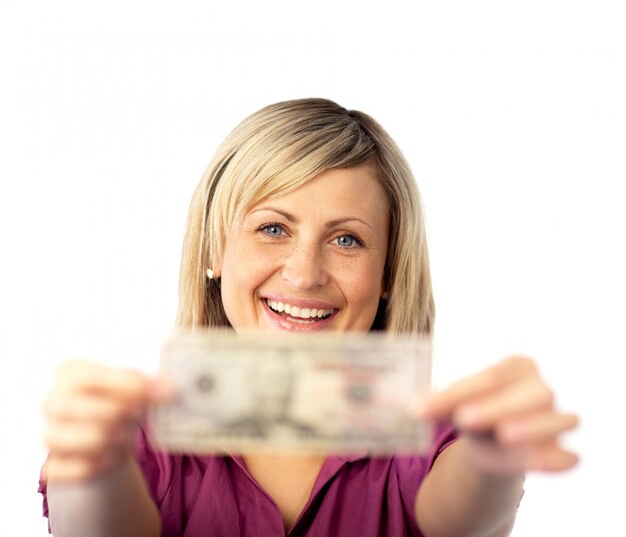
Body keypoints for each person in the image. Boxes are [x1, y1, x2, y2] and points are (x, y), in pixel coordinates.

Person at [39, 98, 579, 537]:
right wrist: (95, 470)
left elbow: (463, 521)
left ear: (389, 271)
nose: (303, 274)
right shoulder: (133, 437)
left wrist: (491, 459)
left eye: (347, 239)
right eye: (273, 228)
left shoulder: (429, 438)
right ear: (213, 250)